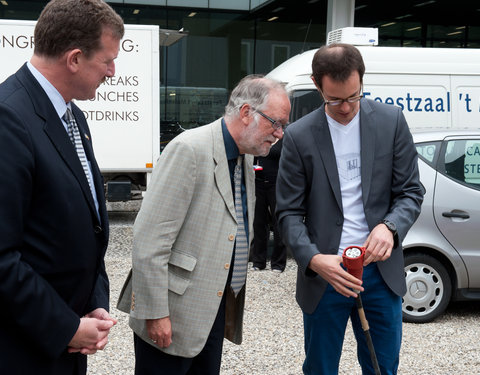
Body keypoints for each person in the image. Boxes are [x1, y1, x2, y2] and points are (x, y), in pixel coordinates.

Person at [117, 75, 291, 375]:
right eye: (275, 123)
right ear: (247, 112)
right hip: (171, 315)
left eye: (283, 125)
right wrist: (155, 313)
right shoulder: (189, 149)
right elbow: (149, 241)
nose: (279, 134)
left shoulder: (245, 157)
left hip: (212, 311)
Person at [276, 43, 424, 375]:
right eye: (335, 99)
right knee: (320, 368)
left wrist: (390, 226)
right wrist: (313, 259)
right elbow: (287, 213)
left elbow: (411, 192)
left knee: (382, 366)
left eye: (353, 97)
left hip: (379, 273)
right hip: (326, 272)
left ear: (362, 82)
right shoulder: (299, 137)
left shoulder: (391, 122)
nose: (345, 108)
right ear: (317, 84)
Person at [0, 1, 124, 374]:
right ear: (73, 59)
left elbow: (90, 223)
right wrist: (67, 327)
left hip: (67, 341)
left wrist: (94, 301)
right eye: (107, 60)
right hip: (23, 348)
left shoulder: (72, 114)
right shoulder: (9, 118)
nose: (112, 72)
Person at [250, 138, 287, 272]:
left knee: (278, 223)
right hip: (258, 182)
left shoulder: (284, 140)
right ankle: (258, 261)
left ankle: (278, 263)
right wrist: (254, 167)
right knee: (259, 222)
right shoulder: (261, 137)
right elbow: (253, 159)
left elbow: (288, 162)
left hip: (277, 184)